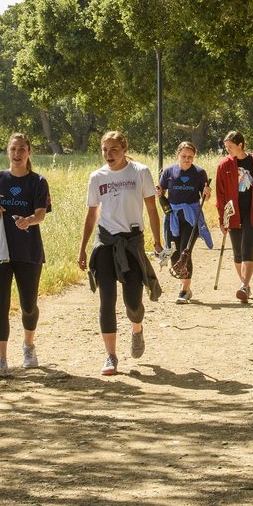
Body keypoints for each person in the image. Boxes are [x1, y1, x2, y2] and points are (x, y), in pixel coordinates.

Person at [78, 130, 163, 375]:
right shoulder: (96, 177)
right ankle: (111, 356)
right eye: (105, 150)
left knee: (133, 302)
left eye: (114, 149)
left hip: (131, 243)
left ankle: (137, 329)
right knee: (107, 300)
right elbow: (92, 214)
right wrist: (83, 248)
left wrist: (157, 242)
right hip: (105, 242)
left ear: (124, 149)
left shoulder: (140, 172)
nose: (108, 154)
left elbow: (151, 208)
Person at [0, 133, 51, 379]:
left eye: (21, 149)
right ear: (7, 152)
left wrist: (27, 220)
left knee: (29, 305)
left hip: (28, 251)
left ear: (29, 152)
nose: (17, 154)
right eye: (13, 149)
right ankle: (1, 360)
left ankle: (28, 346)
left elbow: (41, 214)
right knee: (0, 303)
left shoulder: (38, 181)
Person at [214, 130, 253, 302]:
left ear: (240, 145)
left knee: (246, 248)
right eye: (226, 147)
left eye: (230, 147)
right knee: (237, 253)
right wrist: (221, 219)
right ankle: (245, 286)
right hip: (232, 213)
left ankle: (244, 285)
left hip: (252, 211)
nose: (228, 150)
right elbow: (219, 194)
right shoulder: (223, 165)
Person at [159, 140, 213, 303]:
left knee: (185, 252)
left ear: (194, 157)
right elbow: (161, 191)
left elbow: (205, 197)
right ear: (178, 155)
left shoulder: (199, 172)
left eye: (190, 156)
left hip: (192, 217)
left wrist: (207, 193)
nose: (187, 159)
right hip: (173, 217)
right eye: (184, 156)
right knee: (174, 253)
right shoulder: (168, 172)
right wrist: (158, 192)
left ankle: (183, 290)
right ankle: (187, 288)